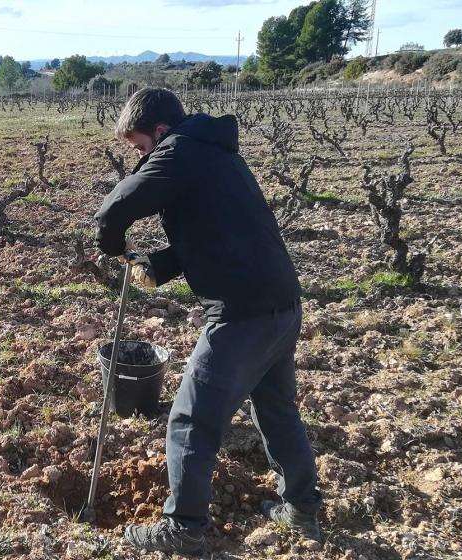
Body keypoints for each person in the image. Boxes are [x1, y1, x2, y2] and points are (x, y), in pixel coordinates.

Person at [94, 88, 322, 556]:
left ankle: (184, 527)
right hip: (281, 304)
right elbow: (220, 231)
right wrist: (159, 264)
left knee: (190, 419)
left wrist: (112, 245)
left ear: (160, 132)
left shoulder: (179, 149)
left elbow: (114, 209)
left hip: (241, 314)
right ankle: (301, 509)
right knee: (276, 407)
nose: (140, 156)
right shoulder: (216, 153)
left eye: (140, 148)